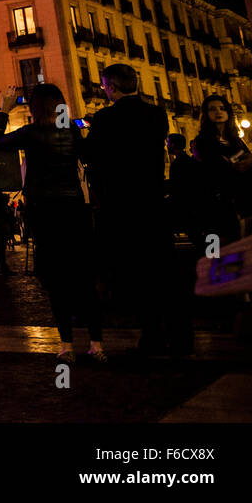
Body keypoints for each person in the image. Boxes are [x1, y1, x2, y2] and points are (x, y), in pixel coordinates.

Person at [0, 84, 106, 364]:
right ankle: (97, 344)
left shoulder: (31, 133)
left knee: (57, 279)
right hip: (74, 207)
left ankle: (66, 345)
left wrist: (4, 109)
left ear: (35, 108)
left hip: (45, 210)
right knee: (83, 277)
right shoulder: (72, 132)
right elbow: (89, 156)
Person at [86, 62, 187, 357]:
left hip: (122, 206)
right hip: (153, 202)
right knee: (164, 271)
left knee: (138, 274)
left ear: (111, 86)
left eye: (105, 85)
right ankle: (180, 336)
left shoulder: (105, 118)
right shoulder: (156, 114)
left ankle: (152, 335)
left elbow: (92, 155)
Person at [191, 94, 252, 241]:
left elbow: (248, 163)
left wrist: (249, 161)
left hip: (241, 202)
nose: (218, 112)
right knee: (215, 249)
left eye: (222, 108)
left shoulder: (236, 141)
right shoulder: (202, 141)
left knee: (239, 249)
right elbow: (212, 168)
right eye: (212, 109)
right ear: (206, 114)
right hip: (215, 205)